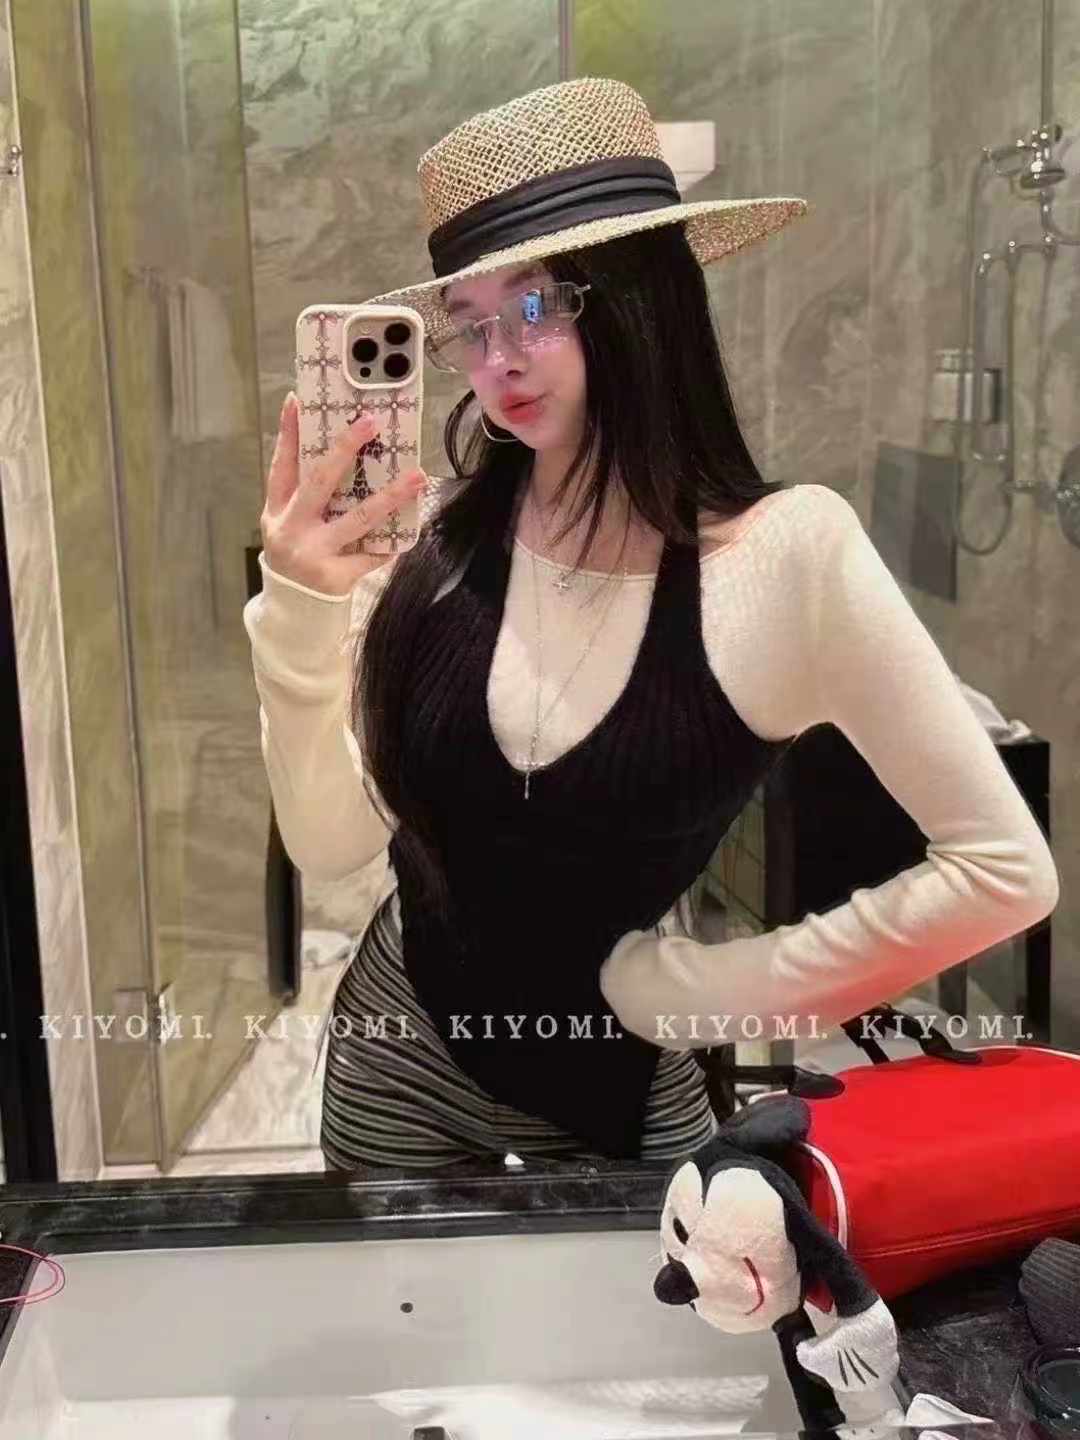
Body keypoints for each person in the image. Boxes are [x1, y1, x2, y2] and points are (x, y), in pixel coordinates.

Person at [243, 77, 1059, 1175]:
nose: (495, 360)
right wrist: (299, 607)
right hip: (399, 1050)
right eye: (470, 323)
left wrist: (697, 994)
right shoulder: (437, 538)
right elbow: (331, 845)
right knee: (401, 1293)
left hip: (624, 1081)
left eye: (535, 305)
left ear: (641, 297)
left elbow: (1004, 872)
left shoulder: (785, 556)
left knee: (670, 1285)